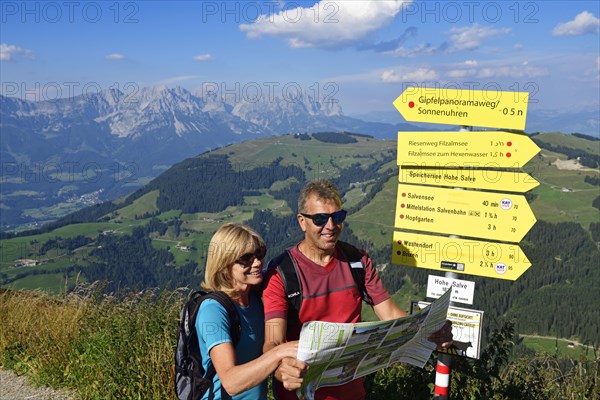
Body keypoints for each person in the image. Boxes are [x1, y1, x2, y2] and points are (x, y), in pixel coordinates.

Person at [262, 179, 453, 400]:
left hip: (351, 392)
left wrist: (430, 330)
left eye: (338, 217)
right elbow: (273, 341)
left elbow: (390, 314)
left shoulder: (357, 260)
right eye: (320, 219)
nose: (331, 226)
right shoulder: (282, 272)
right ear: (302, 222)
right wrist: (280, 369)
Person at [197, 223, 300, 399]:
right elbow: (231, 382)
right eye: (246, 258)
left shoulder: (256, 299)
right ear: (224, 264)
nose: (257, 263)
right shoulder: (213, 311)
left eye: (259, 254)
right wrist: (278, 352)